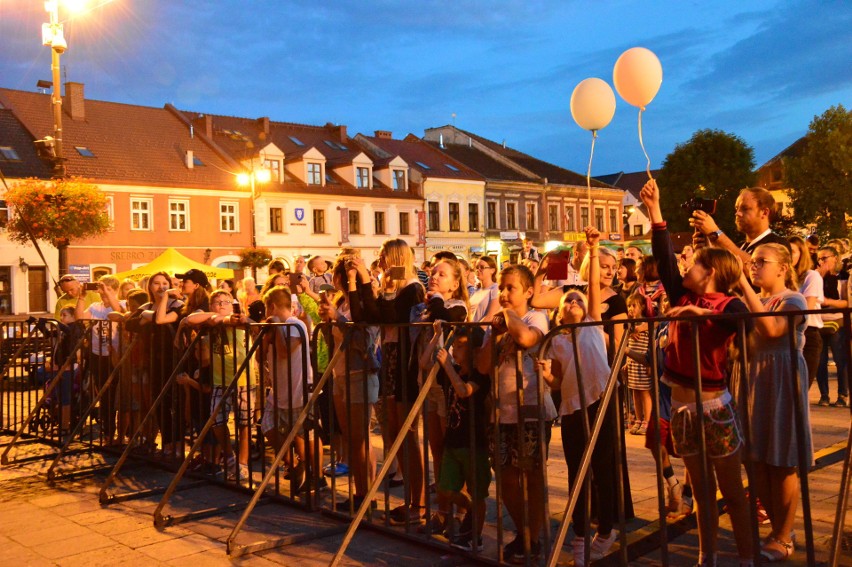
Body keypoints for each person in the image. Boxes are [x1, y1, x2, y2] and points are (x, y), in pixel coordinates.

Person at [640, 178, 754, 567]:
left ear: (709, 272)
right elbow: (666, 260)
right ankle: (707, 558)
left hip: (714, 409)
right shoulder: (681, 293)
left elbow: (746, 322)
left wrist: (701, 313)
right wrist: (655, 210)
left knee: (732, 493)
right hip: (684, 411)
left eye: (696, 263)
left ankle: (747, 559)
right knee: (702, 494)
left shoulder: (726, 303)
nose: (686, 265)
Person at [538, 226, 619, 567]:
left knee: (603, 468)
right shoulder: (556, 338)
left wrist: (594, 246)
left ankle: (608, 528)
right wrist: (548, 378)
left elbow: (594, 293)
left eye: (578, 299)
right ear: (559, 310)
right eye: (567, 299)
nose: (572, 301)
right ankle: (581, 537)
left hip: (599, 402)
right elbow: (557, 382)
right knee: (577, 472)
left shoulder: (592, 322)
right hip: (571, 409)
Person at [735, 243, 811, 562]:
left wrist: (742, 285)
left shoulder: (793, 298)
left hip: (780, 377)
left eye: (760, 262)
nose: (753, 267)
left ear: (782, 268)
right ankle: (777, 530)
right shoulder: (750, 299)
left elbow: (772, 328)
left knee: (782, 459)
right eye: (751, 262)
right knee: (755, 459)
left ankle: (784, 534)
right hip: (751, 377)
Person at [476, 264, 556, 563]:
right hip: (502, 410)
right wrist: (494, 336)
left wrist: (506, 313)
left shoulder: (535, 316)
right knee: (506, 477)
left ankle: (531, 538)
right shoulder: (496, 325)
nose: (505, 294)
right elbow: (484, 366)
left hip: (531, 408)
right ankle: (524, 532)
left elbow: (525, 339)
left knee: (531, 476)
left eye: (511, 288)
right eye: (502, 288)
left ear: (528, 291)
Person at [351, 239, 426, 523]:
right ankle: (410, 499)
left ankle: (417, 503)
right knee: (394, 432)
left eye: (383, 256)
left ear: (395, 258)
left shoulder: (412, 288)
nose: (380, 261)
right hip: (391, 358)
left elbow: (390, 317)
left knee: (408, 434)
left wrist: (374, 284)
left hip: (405, 361)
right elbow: (367, 316)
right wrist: (362, 284)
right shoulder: (392, 288)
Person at [414, 257, 469, 534]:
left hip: (449, 386)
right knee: (437, 449)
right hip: (431, 386)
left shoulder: (455, 307)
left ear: (456, 283)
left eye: (442, 274)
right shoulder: (428, 309)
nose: (434, 277)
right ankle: (443, 510)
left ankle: (462, 511)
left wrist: (435, 301)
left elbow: (448, 319)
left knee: (454, 451)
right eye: (433, 273)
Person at [429, 322, 491, 552]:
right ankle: (471, 510)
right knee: (445, 489)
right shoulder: (450, 371)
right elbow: (426, 363)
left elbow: (464, 392)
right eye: (454, 345)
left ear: (474, 351)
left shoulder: (480, 376)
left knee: (478, 492)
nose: (455, 350)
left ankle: (475, 536)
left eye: (461, 346)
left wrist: (448, 367)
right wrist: (438, 336)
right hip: (453, 441)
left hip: (474, 443)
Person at [184, 289, 251, 481]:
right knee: (217, 420)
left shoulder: (239, 321)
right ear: (211, 306)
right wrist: (217, 317)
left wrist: (230, 318)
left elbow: (248, 323)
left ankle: (243, 464)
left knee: (244, 423)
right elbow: (190, 319)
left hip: (242, 378)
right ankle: (230, 458)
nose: (222, 305)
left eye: (226, 301)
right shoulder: (211, 322)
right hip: (219, 379)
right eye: (217, 302)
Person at [260, 285, 316, 491]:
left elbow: (285, 352)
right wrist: (266, 335)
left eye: (267, 309)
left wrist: (275, 328)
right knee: (268, 426)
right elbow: (260, 356)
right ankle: (293, 463)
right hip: (279, 390)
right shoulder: (276, 325)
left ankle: (314, 475)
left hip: (298, 389)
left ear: (272, 306)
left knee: (304, 434)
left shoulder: (294, 324)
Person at [75, 275, 125, 445]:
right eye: (102, 290)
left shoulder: (122, 304)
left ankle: (121, 433)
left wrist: (109, 293)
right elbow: (79, 317)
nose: (103, 293)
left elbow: (119, 310)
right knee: (104, 394)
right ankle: (108, 432)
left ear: (116, 290)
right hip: (97, 353)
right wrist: (81, 297)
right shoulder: (95, 306)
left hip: (116, 354)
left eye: (109, 290)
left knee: (117, 394)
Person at [690, 186, 790, 264]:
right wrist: (707, 248)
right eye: (736, 208)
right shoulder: (740, 246)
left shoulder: (778, 244)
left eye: (745, 208)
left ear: (764, 212)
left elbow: (752, 267)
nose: (737, 213)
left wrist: (716, 233)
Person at [788, 236, 824, 392]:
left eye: (793, 252)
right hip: (787, 335)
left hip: (807, 333)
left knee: (800, 390)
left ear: (802, 254)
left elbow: (806, 310)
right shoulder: (781, 278)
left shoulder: (811, 276)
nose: (788, 255)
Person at [814, 245, 848, 407]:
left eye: (824, 258)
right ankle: (824, 395)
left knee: (841, 360)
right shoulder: (815, 276)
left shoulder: (843, 276)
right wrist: (818, 276)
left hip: (838, 321)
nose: (821, 262)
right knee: (820, 362)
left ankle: (842, 394)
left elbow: (846, 302)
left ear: (835, 258)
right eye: (818, 258)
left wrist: (828, 302)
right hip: (819, 321)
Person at [625, 294, 652, 436]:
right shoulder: (630, 325)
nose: (631, 309)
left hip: (643, 363)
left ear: (641, 306)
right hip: (632, 364)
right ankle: (638, 419)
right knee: (634, 391)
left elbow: (650, 344)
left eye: (634, 305)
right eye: (629, 306)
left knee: (644, 392)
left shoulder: (646, 324)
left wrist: (650, 363)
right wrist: (626, 362)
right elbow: (627, 344)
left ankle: (647, 420)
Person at [469, 255, 500, 324]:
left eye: (482, 267)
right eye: (476, 267)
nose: (478, 270)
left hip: (483, 332)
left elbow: (490, 316)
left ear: (492, 270)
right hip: (470, 330)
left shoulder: (495, 288)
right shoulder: (476, 290)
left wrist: (477, 331)